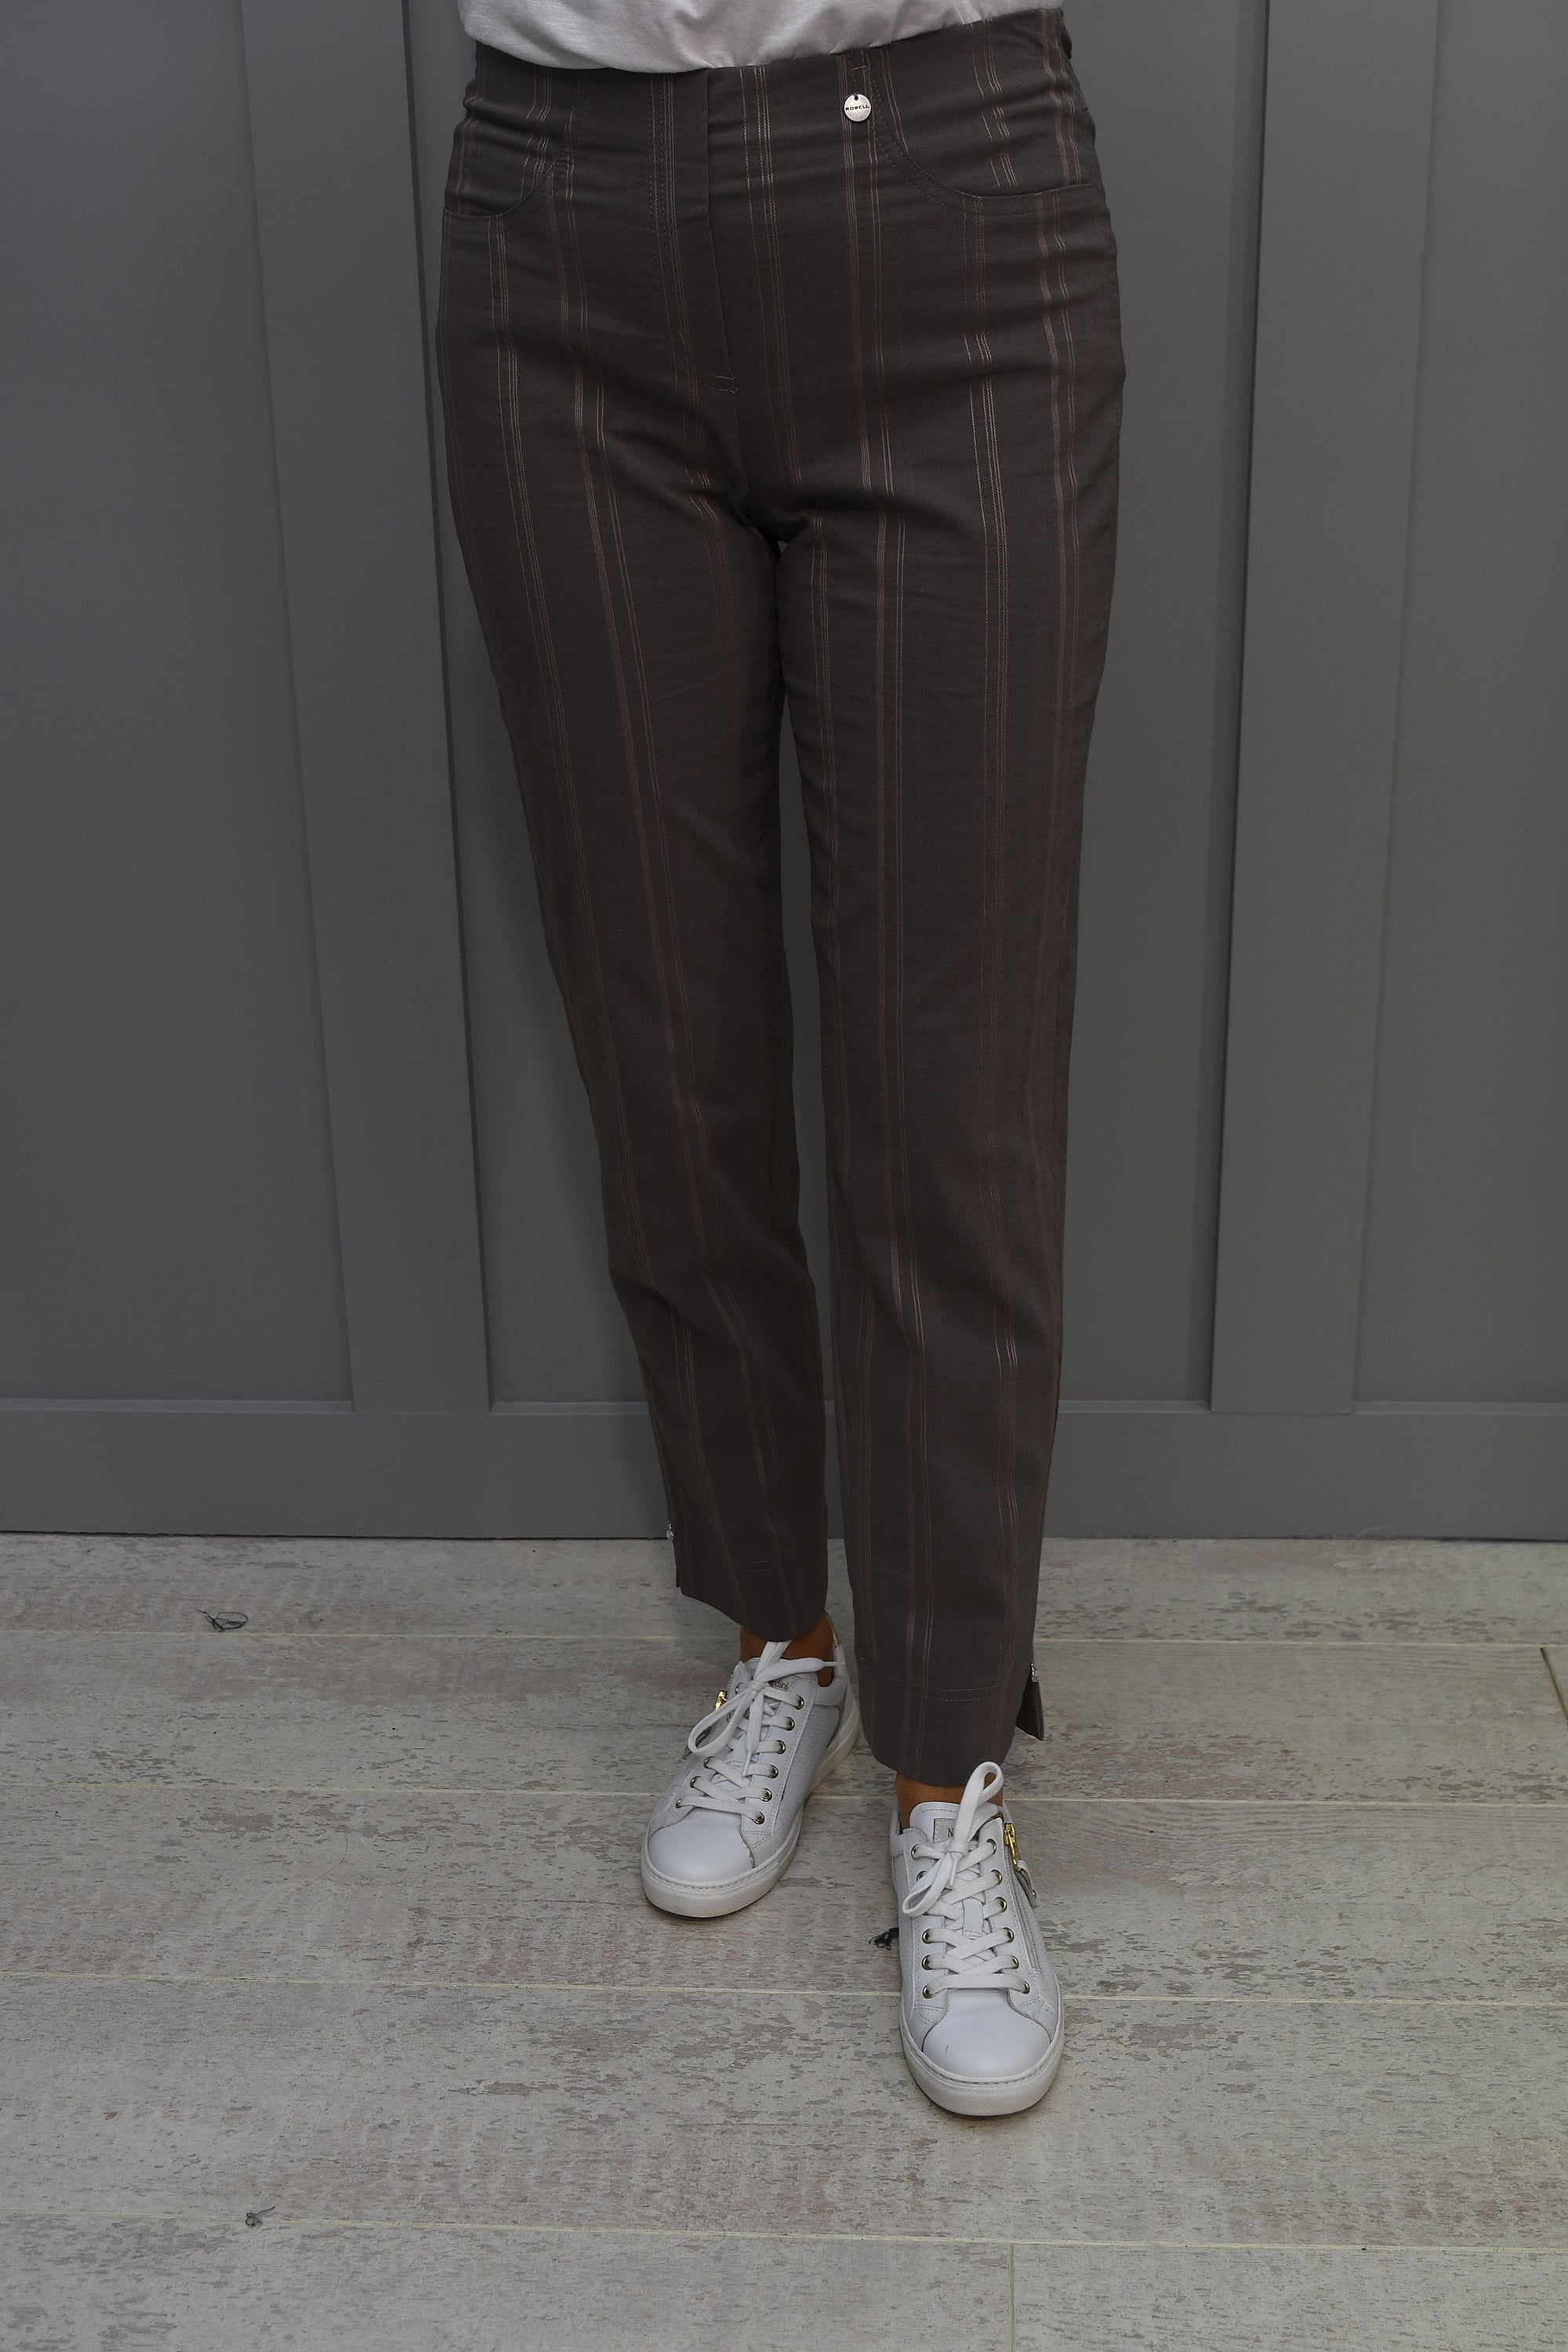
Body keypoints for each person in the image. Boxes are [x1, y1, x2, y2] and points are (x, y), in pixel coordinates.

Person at [437, 0, 1123, 2116]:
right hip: (562, 215)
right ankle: (777, 1643)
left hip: (946, 202)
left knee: (951, 1091)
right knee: (665, 1039)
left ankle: (948, 1774)